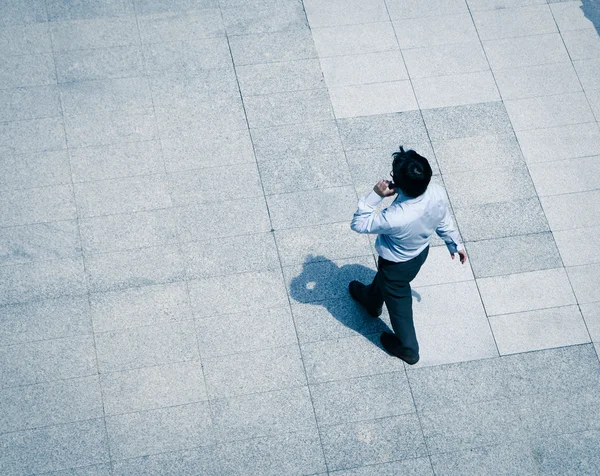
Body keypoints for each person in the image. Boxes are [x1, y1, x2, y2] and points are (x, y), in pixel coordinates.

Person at [349, 146, 467, 365]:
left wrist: (376, 195)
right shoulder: (436, 192)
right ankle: (371, 300)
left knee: (399, 305)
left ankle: (408, 349)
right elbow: (443, 218)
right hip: (419, 253)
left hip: (397, 265)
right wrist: (454, 243)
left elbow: (359, 224)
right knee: (385, 279)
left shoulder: (395, 216)